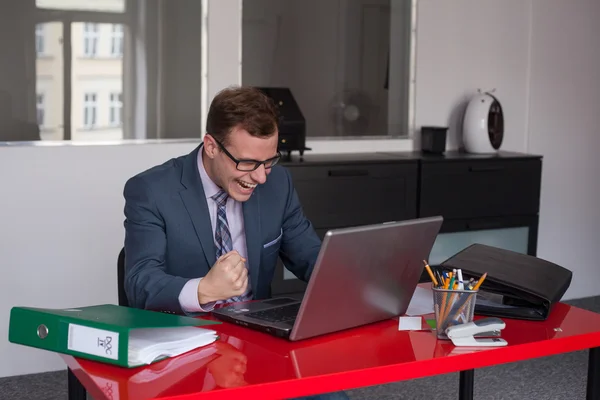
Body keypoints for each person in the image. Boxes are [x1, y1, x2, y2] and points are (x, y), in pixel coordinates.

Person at [123, 85, 350, 400]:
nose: (260, 178)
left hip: (260, 342)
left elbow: (309, 256)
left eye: (269, 161)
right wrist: (205, 289)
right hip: (187, 348)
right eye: (247, 163)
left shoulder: (278, 184)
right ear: (212, 146)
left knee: (330, 397)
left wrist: (358, 278)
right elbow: (140, 282)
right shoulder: (152, 190)